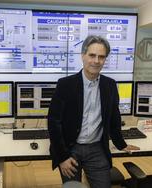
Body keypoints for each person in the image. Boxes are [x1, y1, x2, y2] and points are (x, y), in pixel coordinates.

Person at [47, 35, 140, 188]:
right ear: (83, 56)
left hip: (97, 148)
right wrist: (62, 157)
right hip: (70, 148)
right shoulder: (65, 84)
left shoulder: (109, 85)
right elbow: (53, 122)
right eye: (92, 55)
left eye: (101, 57)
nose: (96, 61)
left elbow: (114, 119)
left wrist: (121, 143)